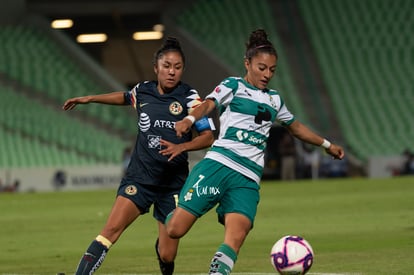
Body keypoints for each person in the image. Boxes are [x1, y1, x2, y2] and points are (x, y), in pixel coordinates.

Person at [166, 29, 345, 274]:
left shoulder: (275, 100)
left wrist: (327, 145)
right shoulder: (233, 85)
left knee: (236, 237)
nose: (267, 74)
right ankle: (174, 203)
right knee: (175, 229)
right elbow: (208, 104)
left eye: (272, 70)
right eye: (262, 68)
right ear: (247, 63)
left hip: (247, 179)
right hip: (219, 165)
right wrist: (188, 120)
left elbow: (296, 128)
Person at [62, 37, 215, 275]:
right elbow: (124, 97)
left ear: (183, 69)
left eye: (177, 67)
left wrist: (182, 148)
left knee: (167, 253)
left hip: (172, 185)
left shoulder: (191, 98)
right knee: (111, 230)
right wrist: (90, 98)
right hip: (140, 178)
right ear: (156, 68)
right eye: (166, 66)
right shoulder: (142, 91)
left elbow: (208, 136)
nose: (172, 72)